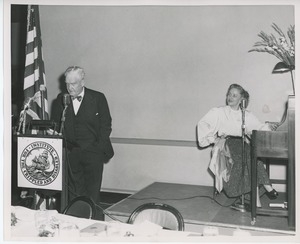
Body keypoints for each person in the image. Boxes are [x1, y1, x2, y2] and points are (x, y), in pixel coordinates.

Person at [197, 83, 278, 207]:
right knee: (246, 158)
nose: (230, 97)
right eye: (229, 94)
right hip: (227, 144)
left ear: (241, 99)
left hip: (242, 143)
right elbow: (203, 124)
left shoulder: (246, 114)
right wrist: (213, 139)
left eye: (234, 95)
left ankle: (258, 199)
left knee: (253, 156)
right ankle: (266, 188)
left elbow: (259, 127)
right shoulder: (219, 112)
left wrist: (270, 127)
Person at [51, 66, 114, 206]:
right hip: (71, 153)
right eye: (67, 83)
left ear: (82, 82)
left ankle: (93, 223)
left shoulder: (98, 98)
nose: (69, 87)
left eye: (73, 84)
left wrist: (98, 148)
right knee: (73, 193)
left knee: (92, 193)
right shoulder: (61, 99)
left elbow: (106, 125)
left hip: (93, 153)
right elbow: (56, 125)